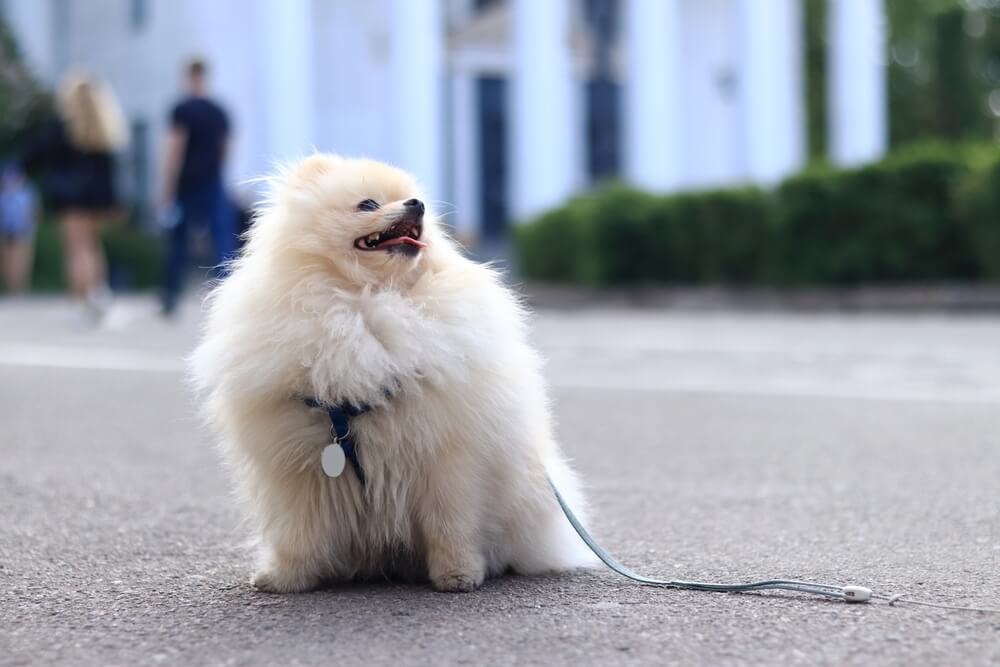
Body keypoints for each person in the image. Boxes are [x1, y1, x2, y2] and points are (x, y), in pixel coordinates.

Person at [22, 72, 126, 320]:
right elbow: (110, 172)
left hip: (70, 200)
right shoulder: (103, 128)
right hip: (98, 201)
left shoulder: (61, 129)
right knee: (93, 247)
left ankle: (81, 303)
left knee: (76, 250)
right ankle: (98, 293)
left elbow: (32, 157)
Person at [159, 57, 234, 316]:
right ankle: (228, 299)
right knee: (221, 241)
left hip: (187, 183)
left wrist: (166, 189)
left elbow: (174, 151)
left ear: (187, 77)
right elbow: (226, 149)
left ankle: (171, 296)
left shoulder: (182, 110)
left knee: (179, 243)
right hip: (212, 181)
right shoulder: (219, 111)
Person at [0, 162, 38, 294]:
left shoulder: (27, 193)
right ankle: (12, 288)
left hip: (22, 231)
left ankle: (19, 288)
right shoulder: (3, 194)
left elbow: (33, 212)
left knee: (20, 260)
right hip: (5, 232)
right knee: (6, 261)